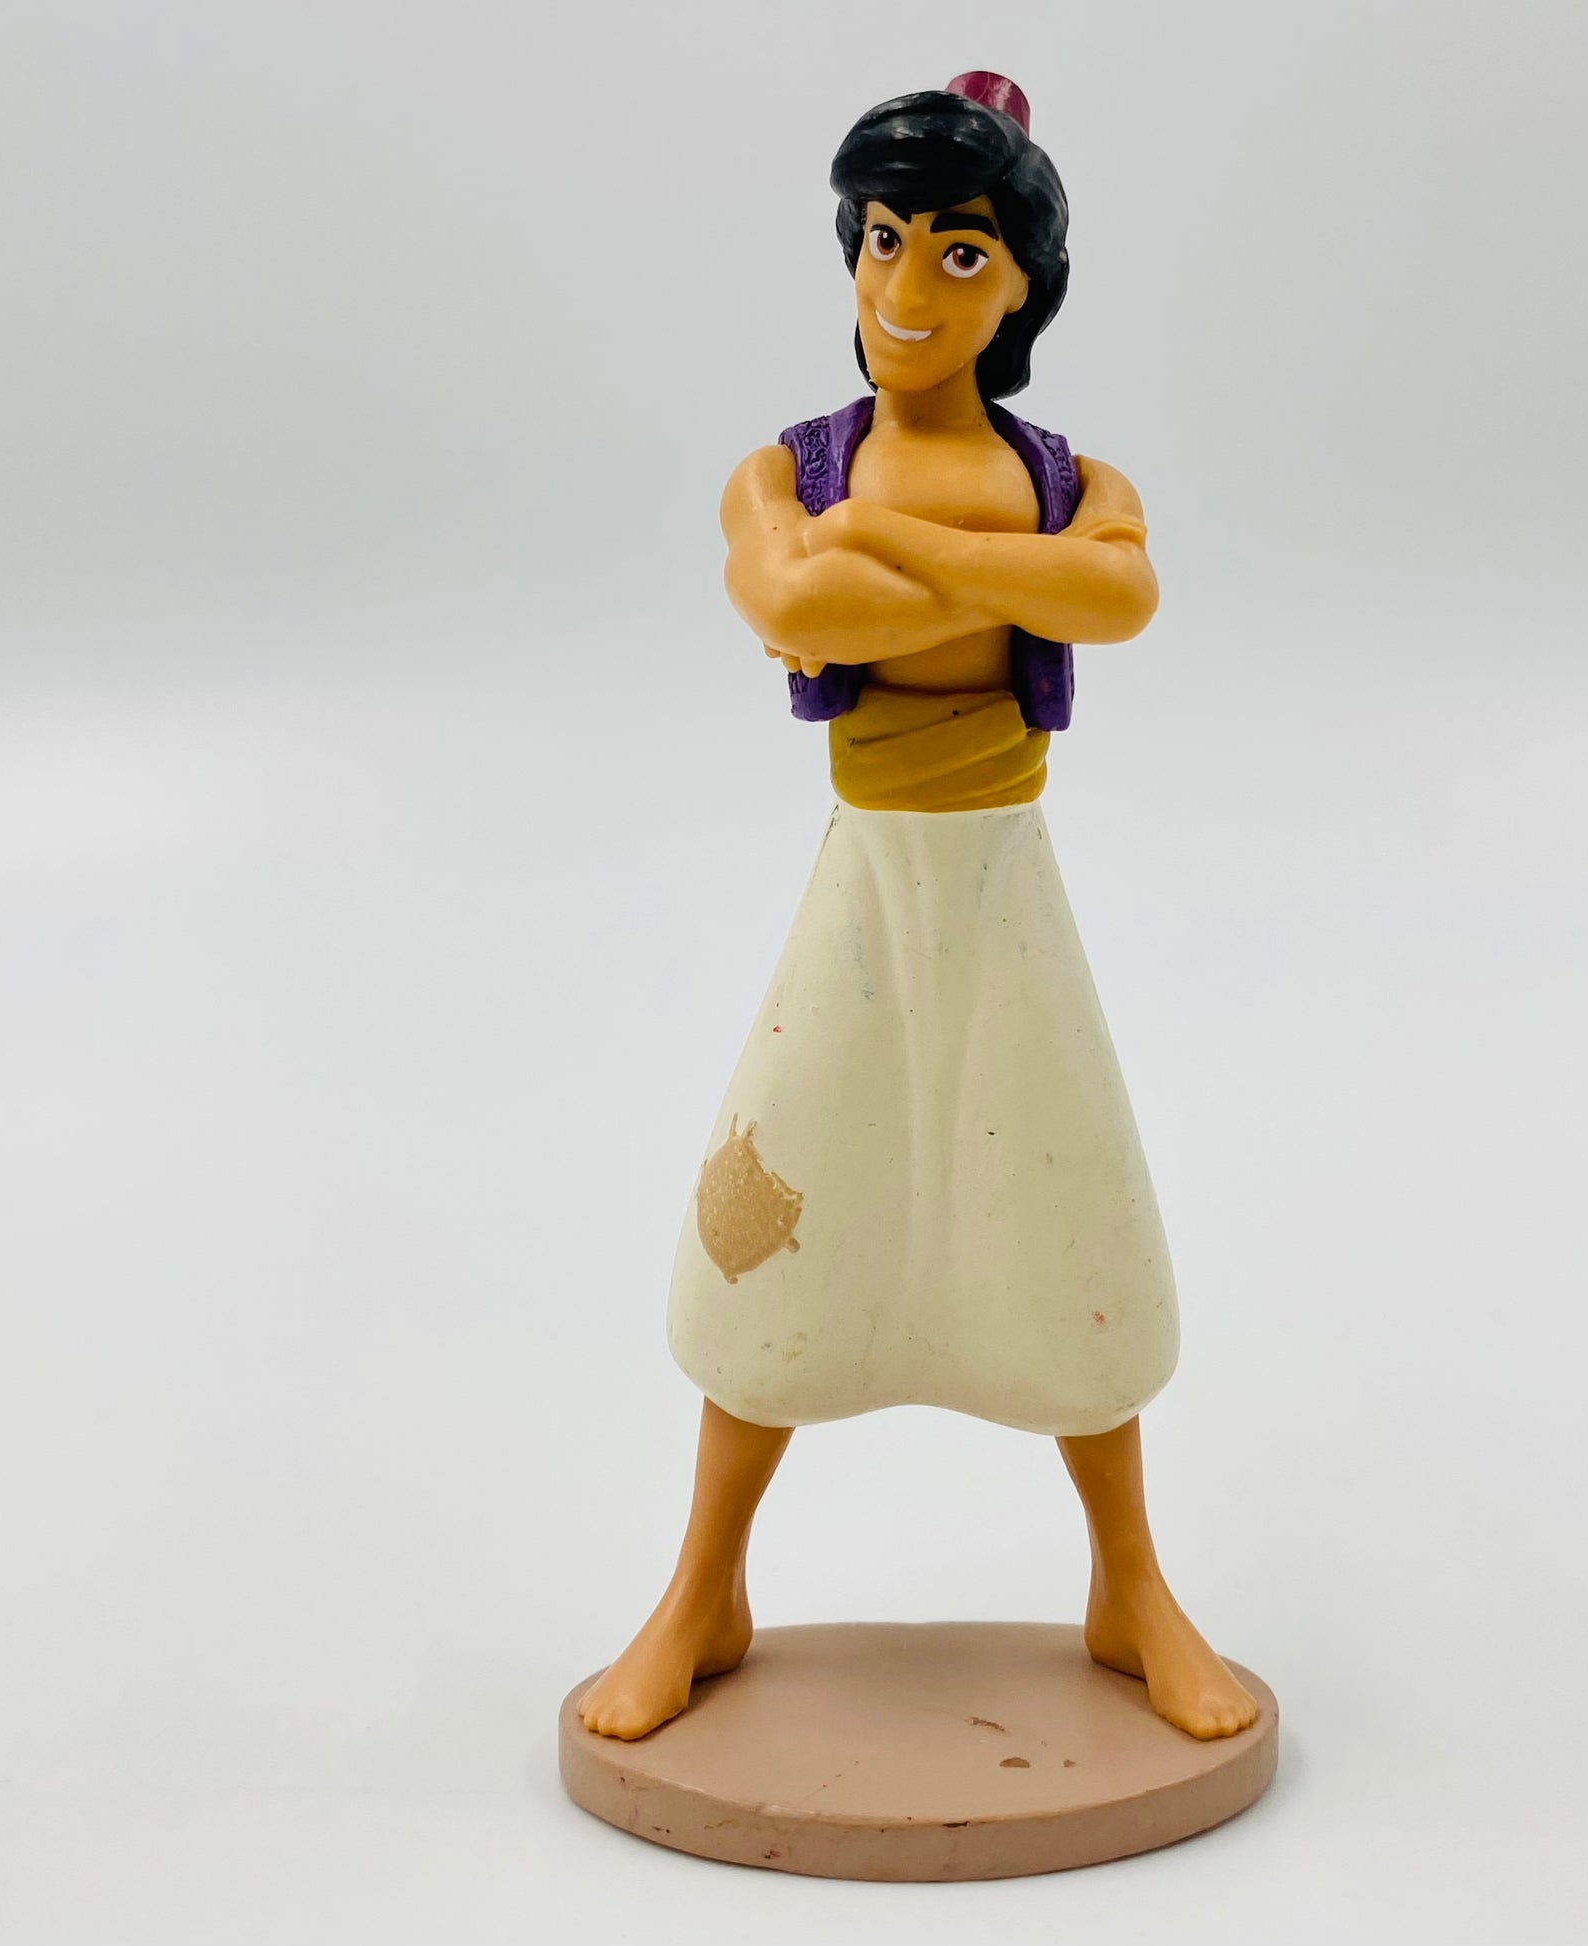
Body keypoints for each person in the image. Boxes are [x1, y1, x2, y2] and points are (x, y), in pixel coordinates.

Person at [578, 75, 1258, 1742]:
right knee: (780, 1212)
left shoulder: (1062, 475)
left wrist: (895, 545)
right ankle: (703, 1585)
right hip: (865, 891)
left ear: (1020, 286)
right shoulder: (784, 471)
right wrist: (967, 568)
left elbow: (1117, 590)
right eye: (883, 240)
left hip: (1006, 895)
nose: (905, 288)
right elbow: (797, 594)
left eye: (958, 254)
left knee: (1063, 1217)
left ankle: (1128, 1584)